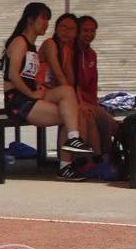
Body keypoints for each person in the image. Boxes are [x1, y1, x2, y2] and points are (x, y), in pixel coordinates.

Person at [0, 2, 95, 181]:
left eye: (48, 20)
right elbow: (12, 75)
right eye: (43, 18)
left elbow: (28, 75)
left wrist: (37, 87)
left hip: (30, 96)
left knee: (67, 92)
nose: (46, 23)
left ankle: (73, 139)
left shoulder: (32, 46)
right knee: (71, 116)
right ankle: (66, 166)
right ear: (30, 20)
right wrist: (31, 93)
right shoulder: (19, 42)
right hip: (18, 101)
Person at [40, 13, 101, 159]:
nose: (67, 32)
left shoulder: (67, 51)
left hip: (57, 95)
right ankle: (78, 160)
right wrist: (77, 103)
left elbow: (72, 82)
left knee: (85, 115)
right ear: (56, 28)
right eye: (63, 27)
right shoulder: (50, 44)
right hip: (41, 91)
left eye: (71, 29)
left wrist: (81, 102)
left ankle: (94, 158)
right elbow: (59, 76)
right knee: (76, 113)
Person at [73, 15, 118, 162]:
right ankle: (102, 158)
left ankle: (108, 157)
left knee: (114, 124)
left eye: (92, 31)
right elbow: (71, 83)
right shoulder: (70, 52)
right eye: (85, 30)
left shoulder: (92, 54)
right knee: (101, 118)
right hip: (74, 99)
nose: (89, 34)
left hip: (88, 101)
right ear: (77, 31)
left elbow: (92, 85)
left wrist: (94, 104)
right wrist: (83, 103)